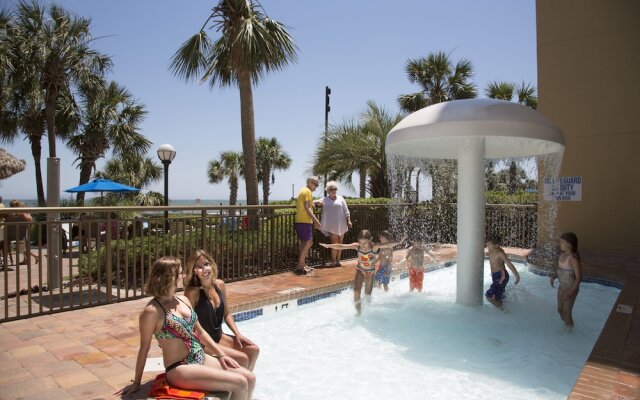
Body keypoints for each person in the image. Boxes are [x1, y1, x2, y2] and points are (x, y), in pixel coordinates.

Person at [117, 256, 255, 400]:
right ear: (170, 277)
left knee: (249, 377)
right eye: (181, 273)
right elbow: (144, 348)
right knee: (240, 382)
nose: (184, 276)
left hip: (200, 356)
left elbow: (200, 332)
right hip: (179, 368)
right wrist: (137, 382)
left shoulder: (183, 300)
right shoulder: (152, 311)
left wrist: (221, 354)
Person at [184, 249, 260, 370]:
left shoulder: (220, 285)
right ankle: (235, 386)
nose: (204, 269)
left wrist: (237, 334)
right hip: (203, 342)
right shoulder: (192, 292)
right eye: (199, 266)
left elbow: (227, 314)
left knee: (254, 350)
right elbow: (190, 324)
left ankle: (246, 382)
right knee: (242, 358)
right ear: (194, 271)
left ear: (211, 265)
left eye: (206, 264)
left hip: (219, 336)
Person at [320, 230, 400, 315]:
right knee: (356, 291)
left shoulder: (373, 247)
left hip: (370, 273)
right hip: (360, 270)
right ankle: (359, 313)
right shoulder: (357, 246)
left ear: (370, 240)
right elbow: (342, 246)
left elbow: (387, 244)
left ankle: (367, 313)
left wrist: (400, 241)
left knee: (367, 295)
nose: (363, 245)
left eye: (365, 243)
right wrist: (329, 246)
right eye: (360, 243)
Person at [314, 181, 352, 267]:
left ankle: (338, 260)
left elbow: (346, 211)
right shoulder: (324, 199)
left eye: (335, 189)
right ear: (328, 190)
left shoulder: (341, 198)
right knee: (335, 243)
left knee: (340, 243)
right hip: (331, 225)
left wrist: (349, 221)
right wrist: (315, 204)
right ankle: (333, 261)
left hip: (341, 223)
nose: (334, 190)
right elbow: (314, 201)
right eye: (331, 189)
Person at [550, 232, 582, 330]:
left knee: (567, 312)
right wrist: (554, 276)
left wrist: (571, 291)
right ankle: (568, 325)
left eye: (561, 242)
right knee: (560, 309)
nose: (559, 244)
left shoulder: (573, 258)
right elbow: (560, 269)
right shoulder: (562, 254)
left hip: (571, 287)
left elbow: (578, 278)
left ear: (568, 244)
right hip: (562, 286)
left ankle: (569, 331)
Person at [294, 176, 321, 276]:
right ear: (311, 182)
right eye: (316, 184)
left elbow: (306, 205)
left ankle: (302, 264)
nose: (316, 187)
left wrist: (313, 203)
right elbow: (307, 208)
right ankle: (300, 267)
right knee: (309, 242)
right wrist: (316, 221)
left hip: (300, 221)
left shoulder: (303, 190)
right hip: (305, 222)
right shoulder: (307, 192)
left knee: (304, 243)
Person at [485, 235, 521, 309]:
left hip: (501, 276)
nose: (487, 245)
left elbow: (508, 263)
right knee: (499, 295)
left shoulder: (500, 252)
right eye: (487, 243)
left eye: (489, 244)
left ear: (496, 245)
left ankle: (506, 312)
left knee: (489, 296)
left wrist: (516, 275)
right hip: (495, 275)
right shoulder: (490, 248)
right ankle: (507, 309)